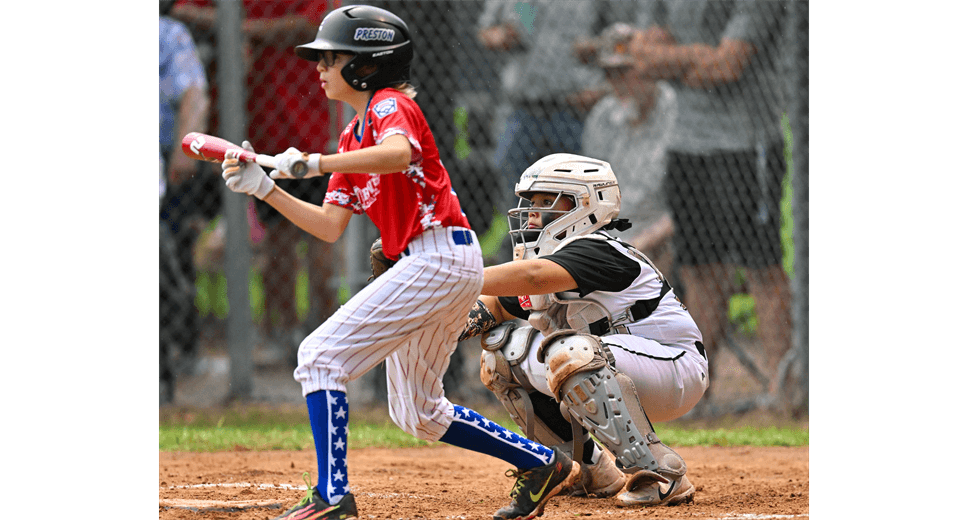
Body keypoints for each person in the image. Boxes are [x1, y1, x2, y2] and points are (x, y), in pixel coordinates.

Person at [218, 7, 579, 520]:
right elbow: (328, 226)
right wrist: (267, 187)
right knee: (419, 413)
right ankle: (543, 463)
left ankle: (332, 497)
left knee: (320, 356)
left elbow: (396, 155)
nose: (320, 68)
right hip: (439, 263)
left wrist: (314, 164)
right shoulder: (350, 135)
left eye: (333, 58)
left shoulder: (390, 106)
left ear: (367, 65)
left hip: (437, 257)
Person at [458, 153, 708, 507]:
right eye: (532, 203)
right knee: (501, 352)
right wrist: (439, 320)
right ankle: (587, 469)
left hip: (676, 369)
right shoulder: (558, 257)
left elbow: (532, 277)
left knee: (571, 353)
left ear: (586, 204)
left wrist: (448, 274)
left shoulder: (598, 249)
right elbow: (498, 304)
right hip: (619, 366)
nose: (533, 213)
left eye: (547, 201)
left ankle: (660, 473)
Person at [630, 0, 791, 394]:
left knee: (762, 269)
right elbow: (640, 59)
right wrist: (697, 57)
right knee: (701, 270)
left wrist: (672, 57)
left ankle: (784, 393)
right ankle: (699, 391)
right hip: (686, 146)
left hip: (747, 145)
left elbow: (727, 66)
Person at [172, 0, 338, 357]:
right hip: (264, 132)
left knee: (321, 234)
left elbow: (312, 25)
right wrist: (226, 21)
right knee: (277, 236)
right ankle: (283, 332)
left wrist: (241, 29)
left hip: (308, 133)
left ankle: (329, 331)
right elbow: (182, 8)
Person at [476, 0, 606, 210]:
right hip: (522, 107)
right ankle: (525, 239)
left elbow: (615, 33)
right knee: (518, 192)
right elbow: (485, 31)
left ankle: (571, 240)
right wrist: (502, 37)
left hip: (572, 107)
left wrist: (595, 47)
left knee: (577, 193)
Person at [580, 22, 679, 278]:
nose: (617, 82)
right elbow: (588, 198)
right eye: (609, 73)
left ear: (647, 65)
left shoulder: (675, 112)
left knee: (657, 257)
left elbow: (688, 206)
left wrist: (640, 244)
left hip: (663, 234)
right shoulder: (603, 116)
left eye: (624, 70)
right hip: (611, 233)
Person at [158, 0, 214, 386]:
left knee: (172, 256)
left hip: (164, 159)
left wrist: (184, 150)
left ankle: (174, 355)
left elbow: (194, 92)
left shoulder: (166, 33)